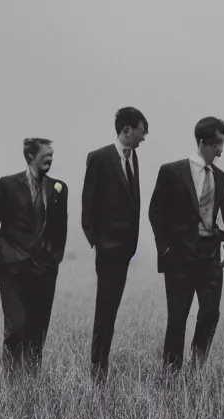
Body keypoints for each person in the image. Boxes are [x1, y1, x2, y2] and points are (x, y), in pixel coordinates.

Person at [148, 116, 224, 372]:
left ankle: (198, 365)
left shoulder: (221, 177)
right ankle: (171, 372)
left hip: (210, 256)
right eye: (218, 144)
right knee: (177, 318)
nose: (221, 150)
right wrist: (164, 248)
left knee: (211, 313)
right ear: (202, 142)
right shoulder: (171, 171)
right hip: (179, 257)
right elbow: (155, 212)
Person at [0, 138, 68, 375]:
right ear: (31, 156)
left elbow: (61, 229)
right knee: (16, 327)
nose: (51, 159)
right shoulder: (7, 185)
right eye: (46, 155)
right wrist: (5, 252)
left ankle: (31, 382)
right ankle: (11, 382)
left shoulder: (60, 188)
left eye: (52, 155)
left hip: (45, 271)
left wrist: (54, 259)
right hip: (12, 271)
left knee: (37, 331)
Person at [81, 106, 148, 382]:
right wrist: (98, 242)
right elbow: (89, 204)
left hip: (125, 249)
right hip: (108, 250)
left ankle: (101, 367)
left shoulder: (134, 158)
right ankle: (98, 369)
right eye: (142, 132)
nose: (144, 138)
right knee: (106, 309)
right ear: (127, 130)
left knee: (112, 307)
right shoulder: (99, 158)